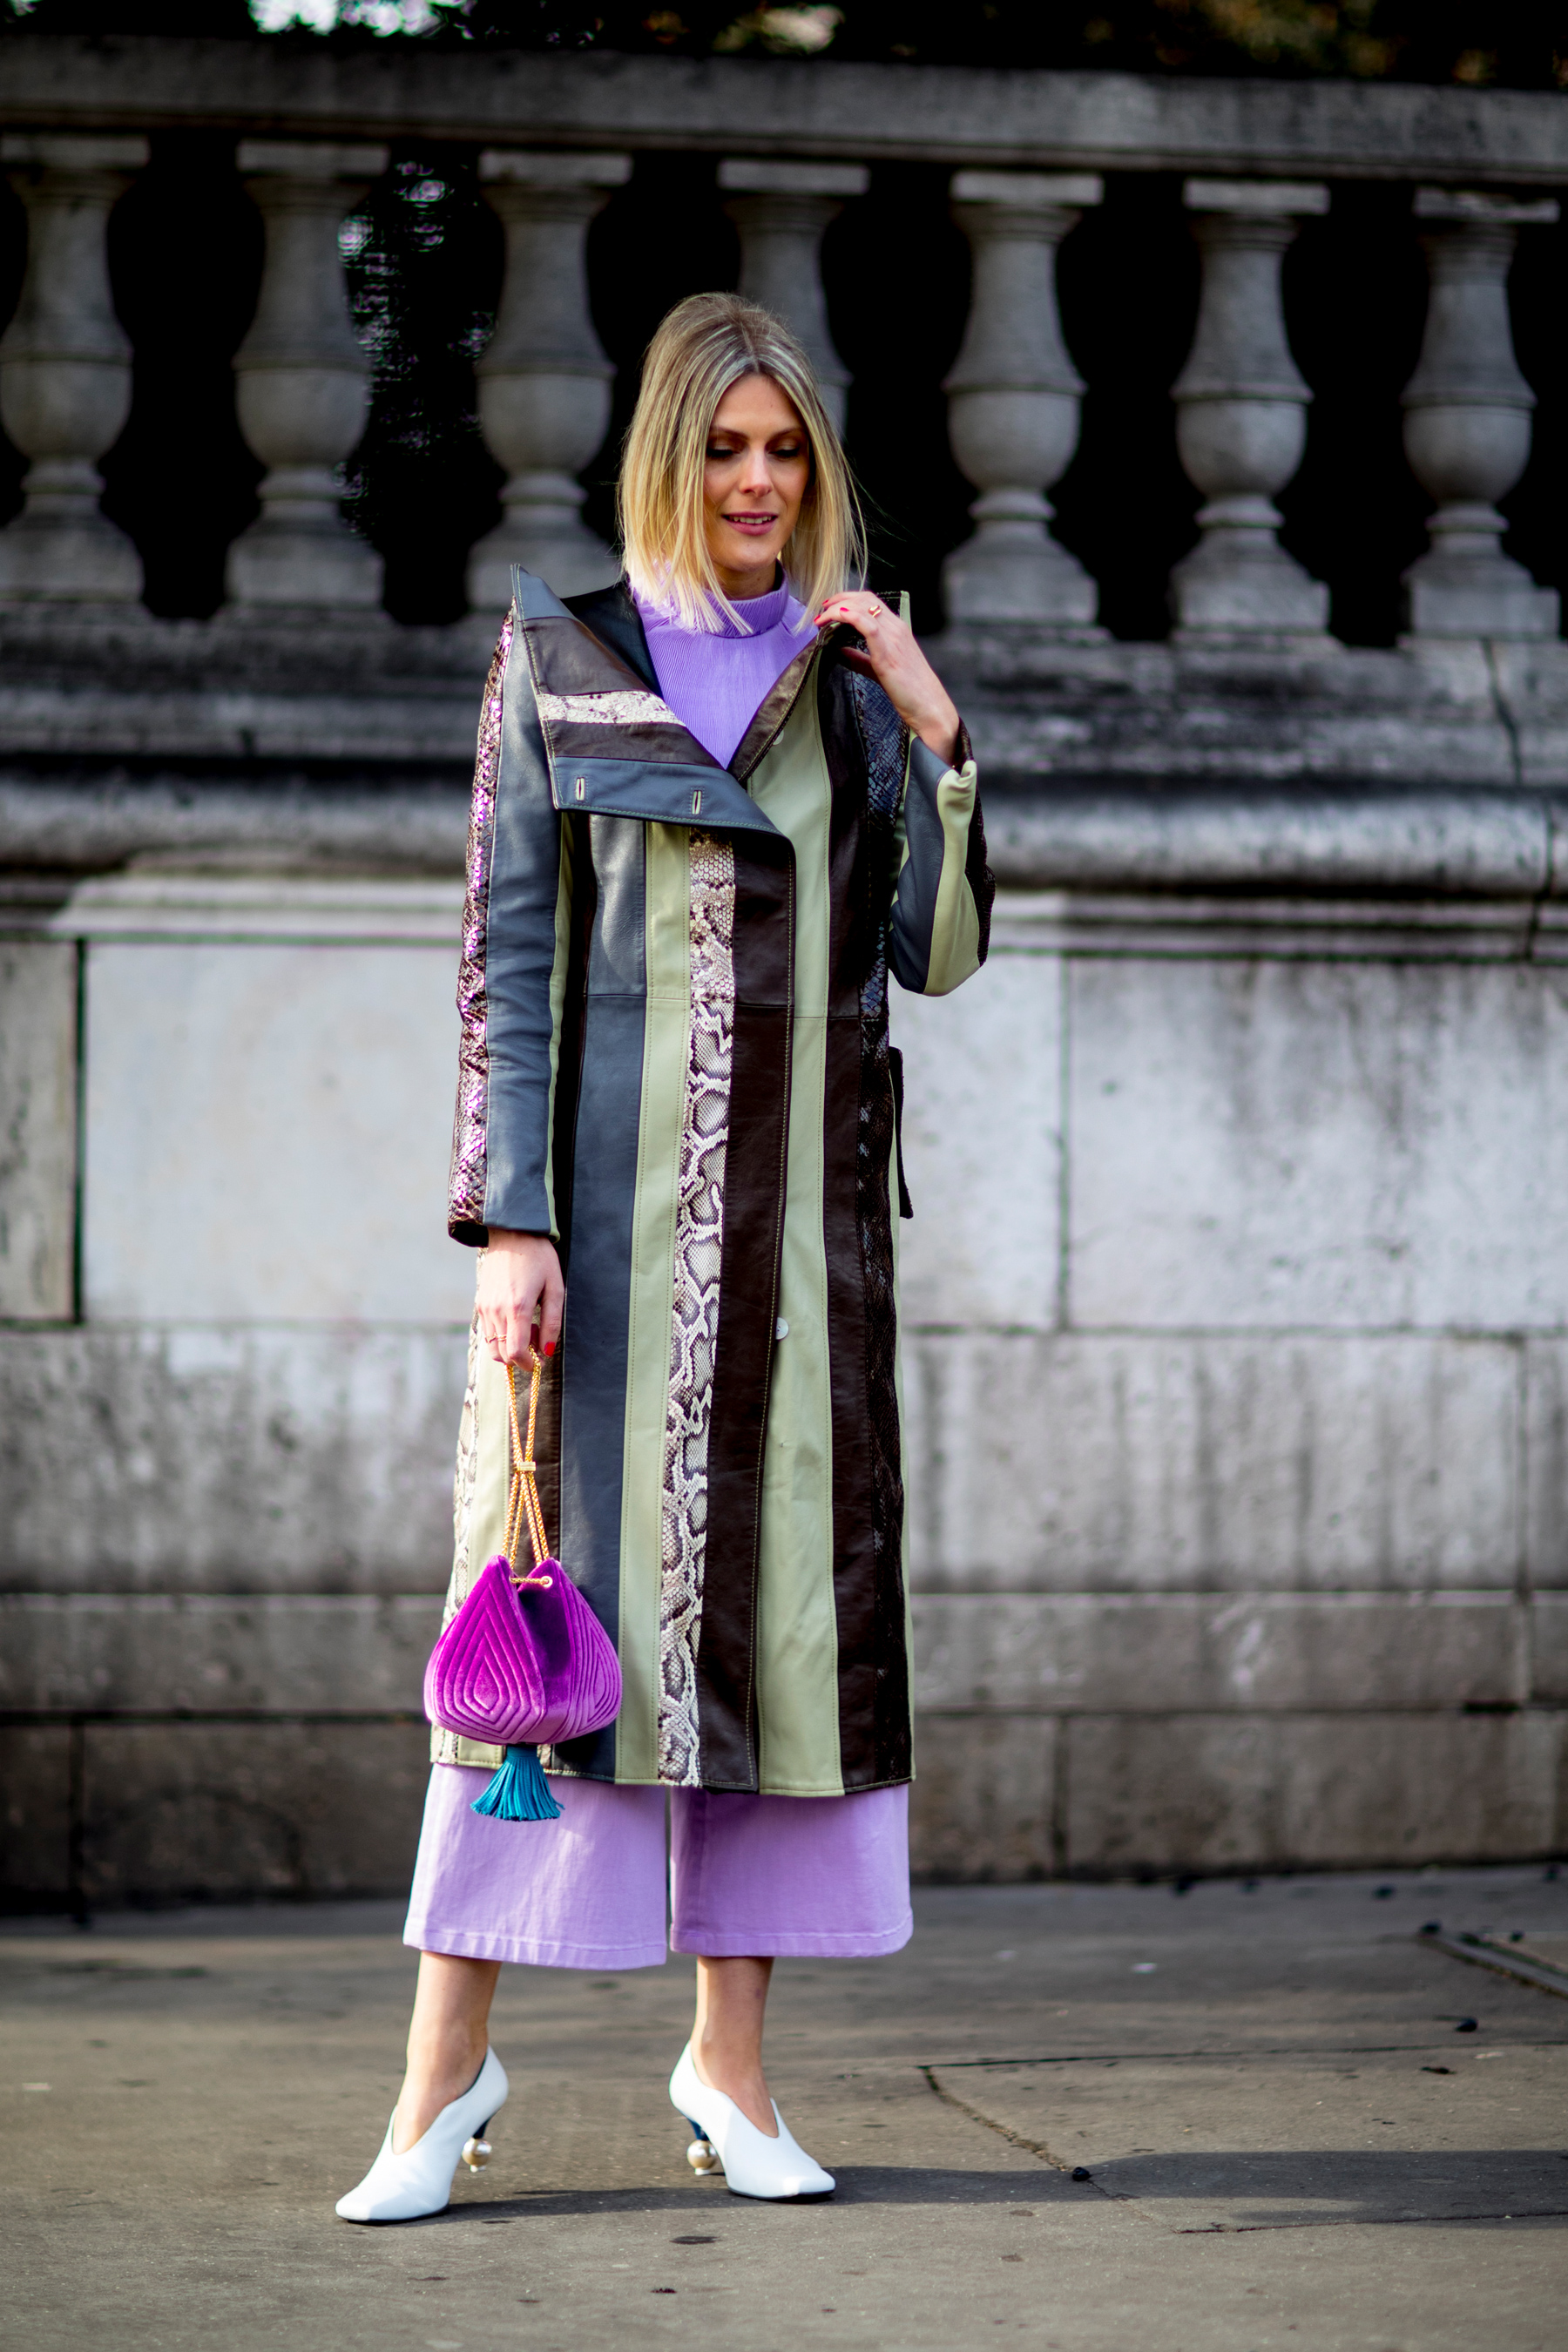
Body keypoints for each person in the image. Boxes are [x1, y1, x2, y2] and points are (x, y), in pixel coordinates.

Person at [336, 290, 992, 2223]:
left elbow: (936, 955)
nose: (758, 484)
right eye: (724, 449)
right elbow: (504, 960)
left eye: (786, 452)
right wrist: (510, 1223)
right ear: (667, 459)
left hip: (797, 1270)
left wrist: (939, 731)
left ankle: (733, 2068)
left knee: (775, 1652)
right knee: (531, 1644)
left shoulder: (848, 681)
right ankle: (440, 2081)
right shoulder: (560, 659)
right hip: (596, 1270)